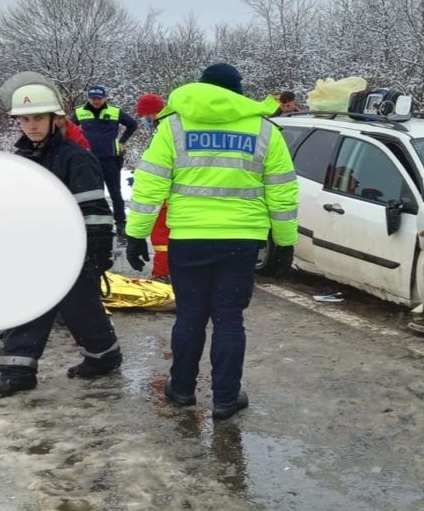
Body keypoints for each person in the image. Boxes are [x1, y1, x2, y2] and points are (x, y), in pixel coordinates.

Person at [124, 63, 299, 419]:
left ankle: (183, 389)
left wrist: (136, 233)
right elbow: (282, 191)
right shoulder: (264, 129)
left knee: (189, 315)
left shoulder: (173, 126)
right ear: (237, 91)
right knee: (229, 319)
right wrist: (284, 242)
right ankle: (225, 398)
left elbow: (150, 183)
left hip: (189, 238)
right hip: (241, 239)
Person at [0, 76, 122, 398]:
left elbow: (95, 208)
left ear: (54, 119)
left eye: (38, 118)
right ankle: (17, 372)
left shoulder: (75, 158)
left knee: (81, 308)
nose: (31, 125)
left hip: (72, 247)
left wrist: (99, 248)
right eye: (25, 119)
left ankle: (104, 357)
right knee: (29, 305)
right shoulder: (21, 160)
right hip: (35, 248)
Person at [72, 85, 138, 238]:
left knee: (115, 193)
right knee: (97, 195)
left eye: (99, 98)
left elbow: (132, 124)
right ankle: (101, 225)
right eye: (93, 98)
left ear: (105, 98)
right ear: (88, 98)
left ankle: (121, 224)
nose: (96, 101)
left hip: (111, 159)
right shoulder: (80, 112)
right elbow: (68, 129)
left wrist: (122, 141)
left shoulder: (114, 111)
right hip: (90, 160)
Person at [134, 92, 170, 281]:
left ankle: (162, 273)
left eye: (145, 116)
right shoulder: (173, 126)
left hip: (165, 194)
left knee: (161, 238)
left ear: (152, 114)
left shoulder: (165, 130)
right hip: (176, 193)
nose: (145, 120)